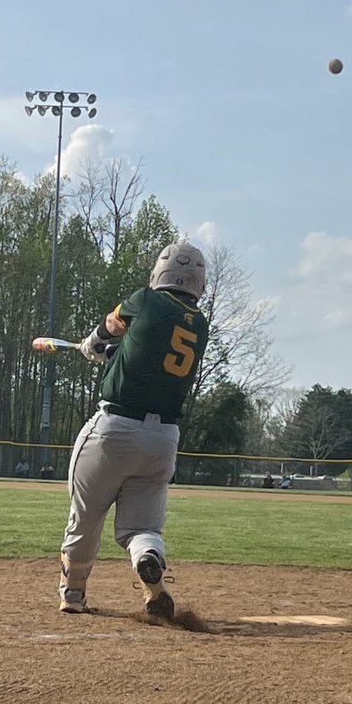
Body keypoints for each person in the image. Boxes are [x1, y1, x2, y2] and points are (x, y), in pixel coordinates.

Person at [57, 241, 209, 620]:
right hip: (163, 441)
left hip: (115, 430)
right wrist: (111, 356)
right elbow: (147, 358)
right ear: (197, 283)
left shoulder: (145, 299)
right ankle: (148, 561)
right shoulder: (199, 325)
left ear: (160, 273)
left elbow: (113, 324)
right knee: (142, 527)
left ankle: (73, 594)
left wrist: (94, 343)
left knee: (86, 517)